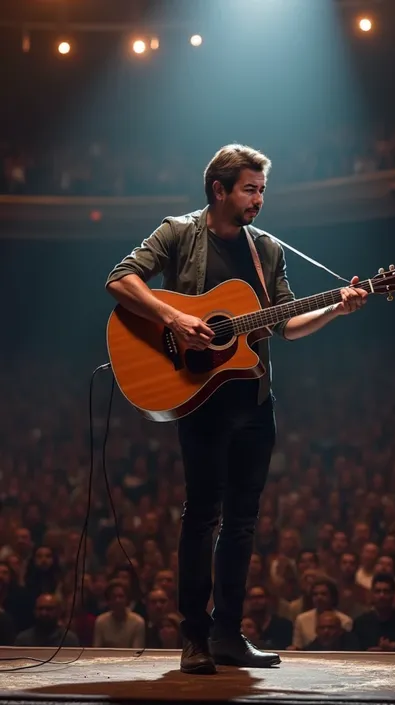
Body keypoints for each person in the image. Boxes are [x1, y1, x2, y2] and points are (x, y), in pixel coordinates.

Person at [106, 144, 367, 675]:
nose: (258, 200)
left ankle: (227, 634)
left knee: (242, 523)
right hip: (198, 398)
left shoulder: (266, 251)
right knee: (202, 518)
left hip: (253, 400)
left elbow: (285, 326)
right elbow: (121, 278)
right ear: (219, 190)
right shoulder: (178, 232)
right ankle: (194, 637)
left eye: (262, 190)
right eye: (250, 189)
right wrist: (173, 318)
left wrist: (335, 308)